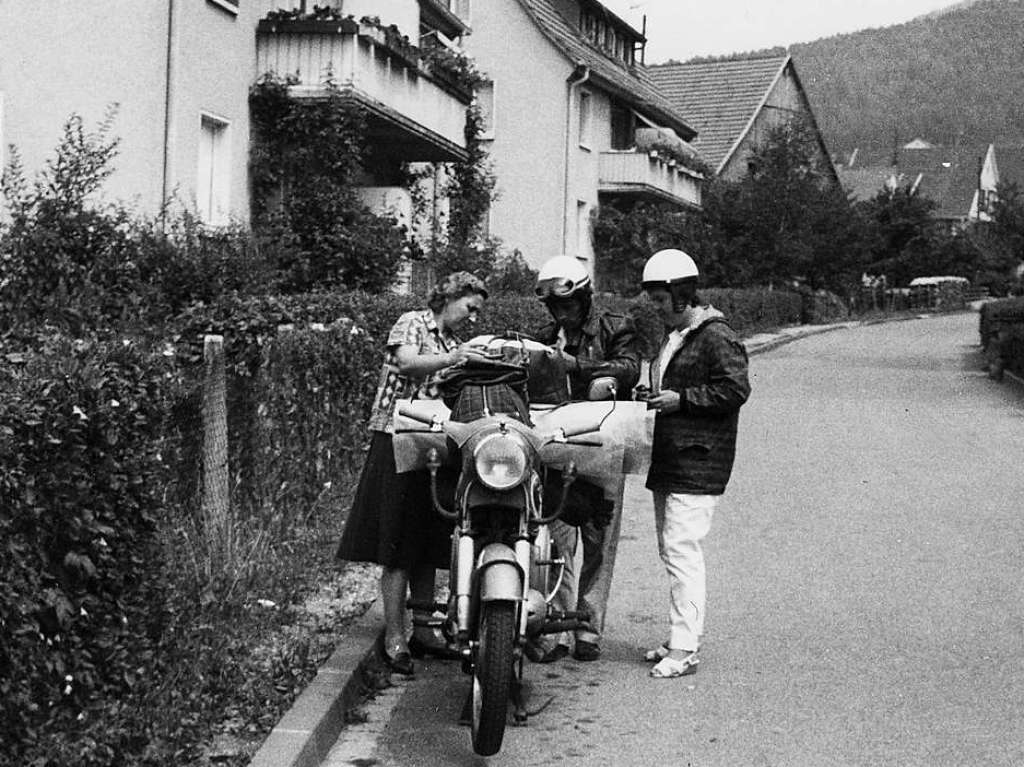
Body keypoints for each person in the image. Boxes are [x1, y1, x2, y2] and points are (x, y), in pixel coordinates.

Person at [336, 272, 489, 676]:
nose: (472, 318)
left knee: (428, 536)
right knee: (398, 540)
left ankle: (424, 629)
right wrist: (454, 360)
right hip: (397, 437)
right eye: (470, 307)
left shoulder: (453, 343)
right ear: (451, 296)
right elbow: (406, 362)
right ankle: (395, 635)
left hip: (433, 444)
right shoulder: (413, 322)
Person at [636, 248, 750, 679]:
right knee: (671, 548)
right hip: (670, 458)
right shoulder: (676, 337)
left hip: (699, 461)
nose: (655, 308)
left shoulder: (715, 336)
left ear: (681, 294)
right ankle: (678, 636)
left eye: (660, 300)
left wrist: (680, 400)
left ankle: (685, 648)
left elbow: (735, 389)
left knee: (683, 551)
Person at [527, 255, 640, 663]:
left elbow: (628, 369)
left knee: (599, 539)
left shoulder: (616, 326)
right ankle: (556, 624)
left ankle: (588, 628)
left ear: (585, 297)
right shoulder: (543, 335)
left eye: (569, 304)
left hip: (605, 443)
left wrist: (577, 366)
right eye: (555, 307)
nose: (562, 313)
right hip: (557, 442)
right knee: (555, 532)